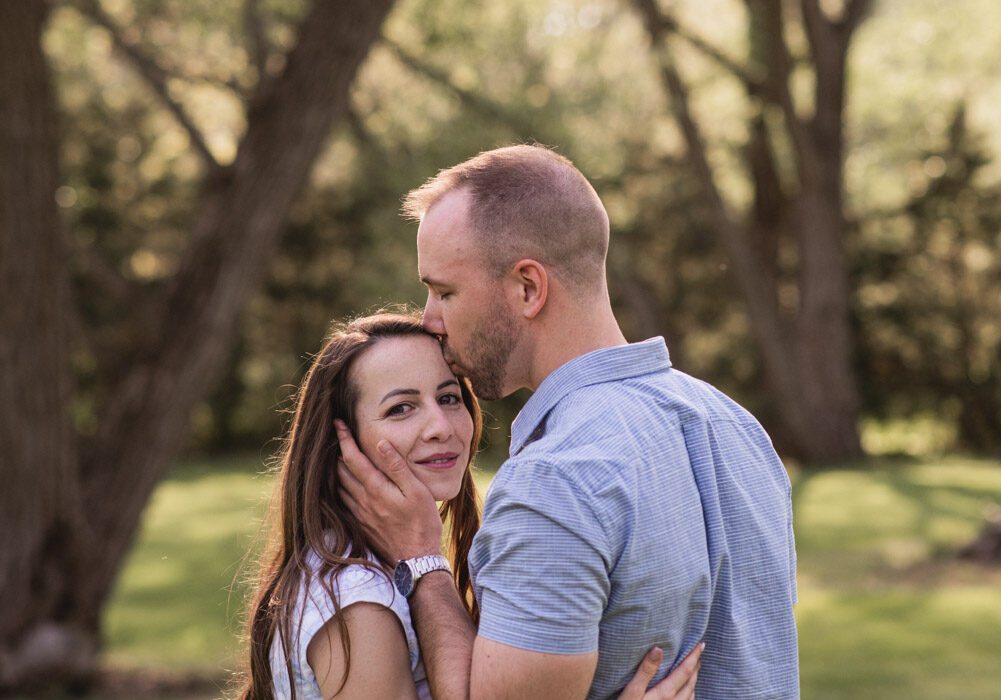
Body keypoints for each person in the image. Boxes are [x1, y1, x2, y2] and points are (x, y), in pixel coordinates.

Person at [337, 145, 800, 699]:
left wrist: (422, 558)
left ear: (528, 288)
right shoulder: (736, 427)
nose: (431, 320)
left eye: (445, 292)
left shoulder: (557, 478)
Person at [238, 311, 702, 699]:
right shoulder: (358, 604)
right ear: (343, 443)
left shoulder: (371, 572)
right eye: (401, 408)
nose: (440, 425)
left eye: (448, 397)